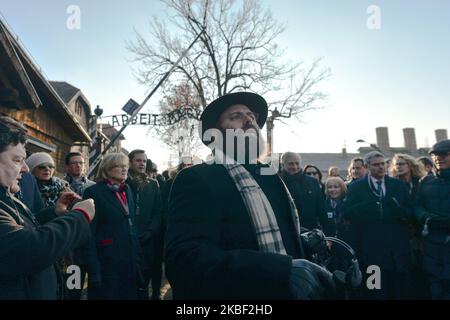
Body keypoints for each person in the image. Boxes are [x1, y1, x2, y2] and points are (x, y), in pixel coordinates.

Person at [165, 92, 335, 300]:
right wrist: (280, 270)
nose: (248, 120)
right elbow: (185, 260)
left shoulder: (269, 176)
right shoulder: (197, 178)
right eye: (236, 116)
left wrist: (306, 241)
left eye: (251, 116)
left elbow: (273, 236)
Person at [0, 116, 95, 299]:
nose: (25, 169)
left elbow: (23, 230)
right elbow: (28, 249)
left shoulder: (7, 196)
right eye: (17, 159)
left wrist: (54, 212)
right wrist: (80, 215)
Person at [343, 151, 413, 299]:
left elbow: (411, 212)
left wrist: (398, 210)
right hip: (370, 251)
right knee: (374, 290)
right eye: (376, 165)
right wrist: (365, 207)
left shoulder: (399, 186)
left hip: (396, 251)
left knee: (398, 290)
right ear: (367, 167)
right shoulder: (357, 187)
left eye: (383, 164)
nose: (381, 167)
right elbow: (346, 213)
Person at [83, 153, 141, 300]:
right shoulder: (93, 192)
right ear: (107, 169)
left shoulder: (127, 189)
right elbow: (89, 233)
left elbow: (132, 224)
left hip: (129, 260)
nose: (124, 169)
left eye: (126, 166)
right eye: (119, 166)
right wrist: (94, 270)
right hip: (107, 262)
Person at [415, 139, 450, 299]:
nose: (438, 158)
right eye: (435, 155)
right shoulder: (425, 181)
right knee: (435, 282)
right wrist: (427, 217)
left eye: (443, 154)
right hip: (433, 242)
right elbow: (416, 206)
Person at [126, 149, 163, 300]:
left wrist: (151, 232)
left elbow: (158, 211)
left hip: (148, 238)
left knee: (146, 274)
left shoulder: (153, 184)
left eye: (144, 161)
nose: (142, 164)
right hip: (128, 238)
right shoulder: (124, 183)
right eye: (138, 160)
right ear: (130, 162)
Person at [280, 152, 326, 231]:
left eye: (297, 163)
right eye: (290, 164)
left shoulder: (313, 182)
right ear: (283, 164)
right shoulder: (278, 183)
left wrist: (328, 233)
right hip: (286, 230)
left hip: (310, 230)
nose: (295, 167)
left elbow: (321, 209)